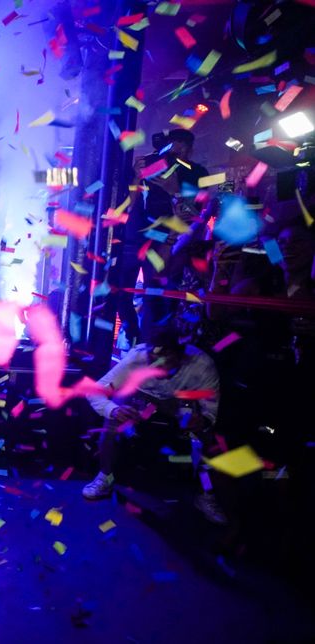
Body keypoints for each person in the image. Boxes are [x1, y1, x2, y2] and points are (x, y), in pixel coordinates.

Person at [82, 326, 226, 524]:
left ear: (180, 357)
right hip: (139, 397)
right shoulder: (136, 358)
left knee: (209, 439)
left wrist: (203, 420)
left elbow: (211, 408)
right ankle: (104, 477)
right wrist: (113, 410)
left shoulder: (202, 365)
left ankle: (205, 495)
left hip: (178, 401)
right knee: (112, 423)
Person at [117, 129, 210, 344]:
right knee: (122, 293)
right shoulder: (154, 164)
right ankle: (132, 335)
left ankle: (152, 344)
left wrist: (174, 190)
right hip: (137, 235)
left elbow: (195, 213)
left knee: (155, 295)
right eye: (173, 147)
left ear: (190, 148)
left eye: (182, 147)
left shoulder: (197, 173)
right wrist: (136, 177)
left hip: (168, 239)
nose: (178, 152)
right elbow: (130, 204)